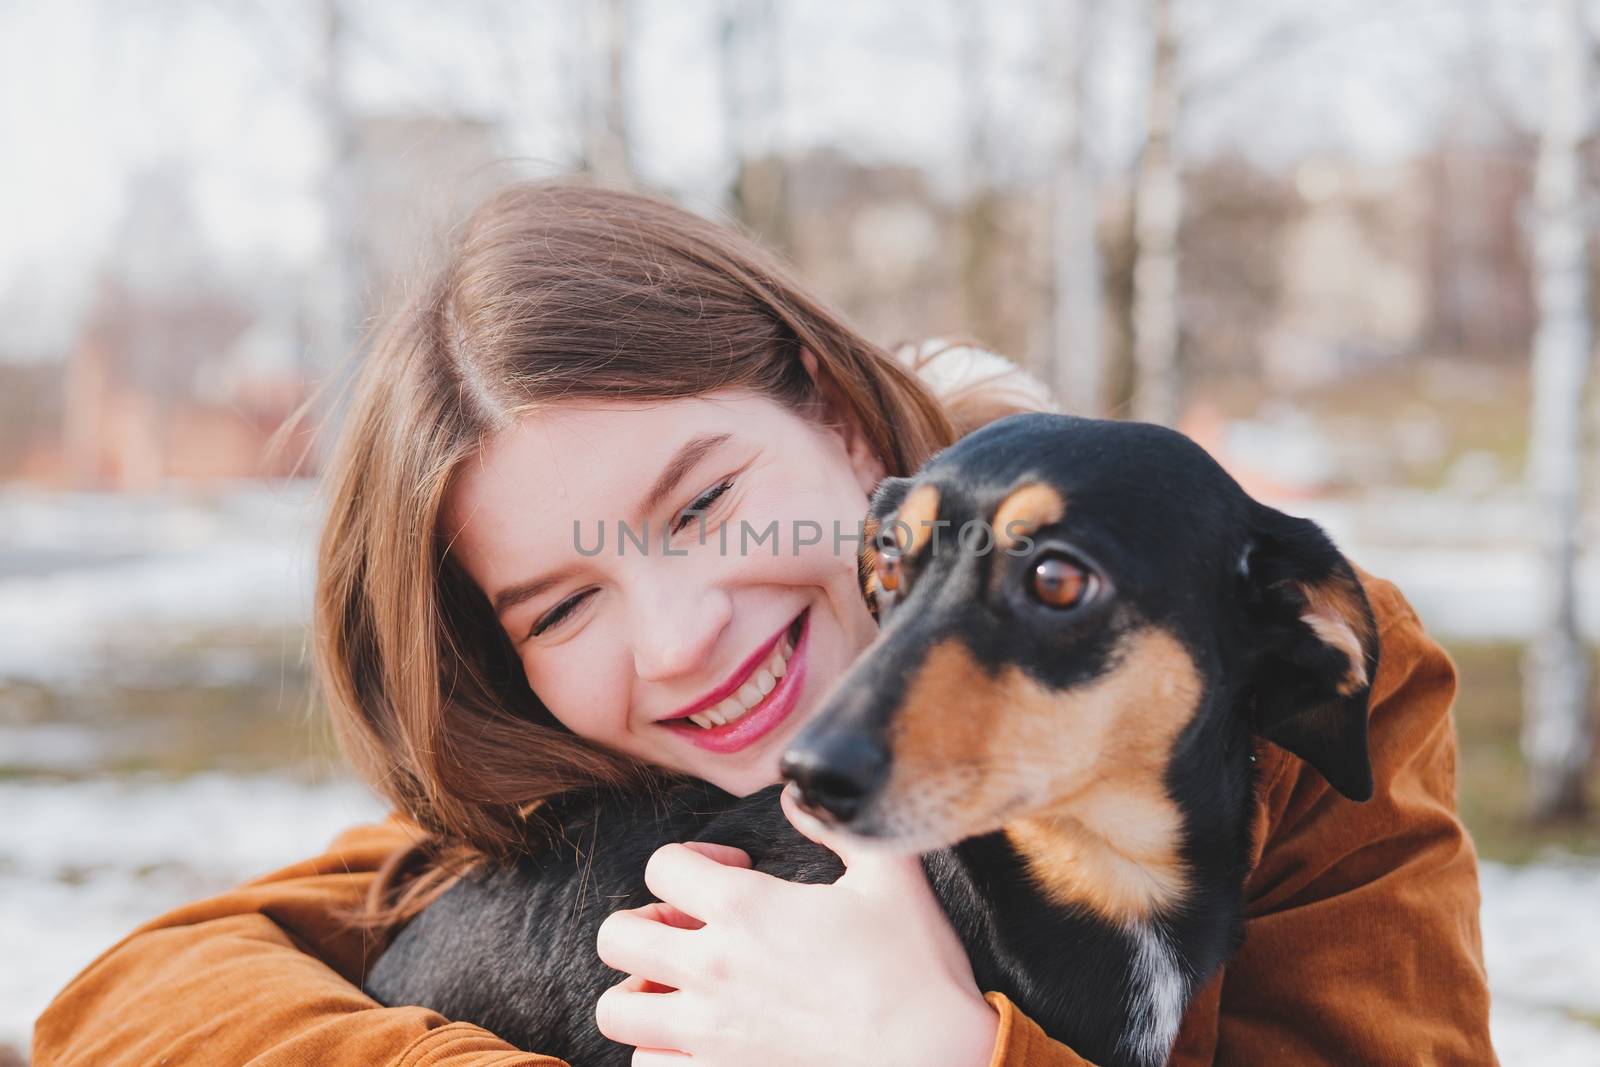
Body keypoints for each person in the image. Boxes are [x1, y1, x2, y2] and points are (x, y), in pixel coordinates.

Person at [32, 179, 1498, 1067]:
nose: (677, 641)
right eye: (564, 603)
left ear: (841, 417)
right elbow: (128, 1005)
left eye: (703, 504)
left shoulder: (1261, 663)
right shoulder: (589, 772)